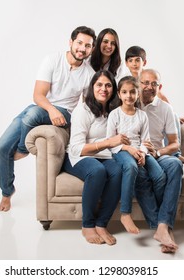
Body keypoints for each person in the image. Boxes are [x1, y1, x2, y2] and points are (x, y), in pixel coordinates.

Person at [0, 26, 96, 211]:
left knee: (32, 114)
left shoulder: (89, 74)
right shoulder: (52, 60)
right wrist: (51, 110)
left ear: (91, 49)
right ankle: (7, 191)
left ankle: (23, 148)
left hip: (66, 113)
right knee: (2, 147)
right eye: (80, 43)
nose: (82, 48)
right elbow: (38, 95)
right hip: (41, 108)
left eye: (88, 46)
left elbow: (85, 106)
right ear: (71, 42)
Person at [62, 70, 130, 245]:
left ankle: (101, 224)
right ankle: (88, 225)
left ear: (113, 89)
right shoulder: (82, 110)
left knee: (118, 171)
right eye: (99, 85)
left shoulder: (115, 110)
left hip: (105, 155)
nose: (103, 89)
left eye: (108, 85)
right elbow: (77, 147)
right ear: (92, 87)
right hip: (78, 156)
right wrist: (107, 142)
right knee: (97, 171)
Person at [106, 76, 166, 234]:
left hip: (139, 151)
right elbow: (111, 142)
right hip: (121, 151)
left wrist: (142, 153)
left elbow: (145, 140)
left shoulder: (141, 115)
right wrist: (129, 149)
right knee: (131, 167)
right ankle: (125, 213)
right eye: (124, 92)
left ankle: (162, 214)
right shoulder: (115, 115)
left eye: (132, 92)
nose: (129, 96)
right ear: (119, 94)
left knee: (159, 175)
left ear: (137, 93)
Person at [135, 69, 183, 254]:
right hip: (136, 154)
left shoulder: (165, 108)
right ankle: (164, 229)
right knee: (139, 173)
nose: (148, 87)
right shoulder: (129, 102)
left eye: (153, 84)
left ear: (159, 87)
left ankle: (161, 227)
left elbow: (174, 144)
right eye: (145, 82)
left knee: (175, 165)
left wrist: (158, 152)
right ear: (138, 83)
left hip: (157, 154)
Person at [125, 46, 184, 164]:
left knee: (173, 116)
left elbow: (160, 96)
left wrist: (172, 113)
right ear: (126, 63)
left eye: (137, 60)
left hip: (153, 115)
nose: (134, 64)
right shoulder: (126, 80)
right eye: (131, 61)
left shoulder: (148, 76)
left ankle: (175, 154)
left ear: (144, 62)